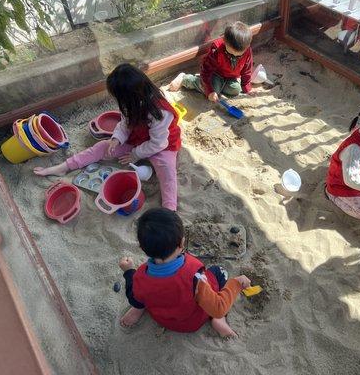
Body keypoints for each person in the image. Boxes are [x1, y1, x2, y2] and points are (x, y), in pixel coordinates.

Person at [34, 63, 181, 211]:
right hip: (137, 138)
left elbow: (158, 143)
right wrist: (116, 139)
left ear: (131, 95)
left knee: (167, 170)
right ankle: (64, 167)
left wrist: (135, 154)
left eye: (119, 97)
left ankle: (170, 208)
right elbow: (125, 124)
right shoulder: (131, 104)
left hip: (163, 145)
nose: (119, 101)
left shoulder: (160, 113)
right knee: (103, 147)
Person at [118, 208, 251, 337]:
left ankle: (138, 310)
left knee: (140, 296)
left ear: (142, 248)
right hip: (192, 322)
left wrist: (129, 271)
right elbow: (218, 307)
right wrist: (237, 283)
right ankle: (219, 320)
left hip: (163, 319)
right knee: (219, 272)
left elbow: (132, 295)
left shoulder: (140, 276)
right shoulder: (195, 277)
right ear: (182, 243)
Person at [167, 21, 253, 102]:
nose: (234, 57)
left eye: (239, 55)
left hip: (230, 77)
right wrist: (210, 91)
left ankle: (217, 87)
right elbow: (206, 71)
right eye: (230, 53)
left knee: (235, 90)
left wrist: (246, 87)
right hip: (216, 74)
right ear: (225, 41)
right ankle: (186, 79)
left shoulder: (247, 51)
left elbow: (247, 70)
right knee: (213, 90)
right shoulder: (216, 50)